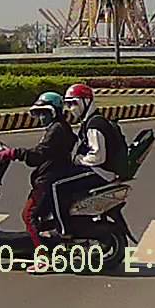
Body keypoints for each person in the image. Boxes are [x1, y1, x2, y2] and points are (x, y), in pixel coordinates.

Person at [0, 91, 76, 261]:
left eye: (45, 113)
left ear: (55, 112)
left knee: (28, 215)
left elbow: (39, 154)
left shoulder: (57, 130)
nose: (42, 117)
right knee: (39, 218)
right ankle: (45, 246)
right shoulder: (59, 127)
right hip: (52, 176)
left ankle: (42, 257)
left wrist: (15, 153)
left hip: (49, 179)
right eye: (39, 113)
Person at [51, 83, 128, 236]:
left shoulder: (94, 125)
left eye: (74, 103)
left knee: (56, 187)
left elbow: (98, 156)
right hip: (100, 170)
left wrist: (79, 160)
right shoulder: (90, 121)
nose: (71, 108)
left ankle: (64, 230)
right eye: (68, 104)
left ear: (86, 102)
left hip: (100, 172)